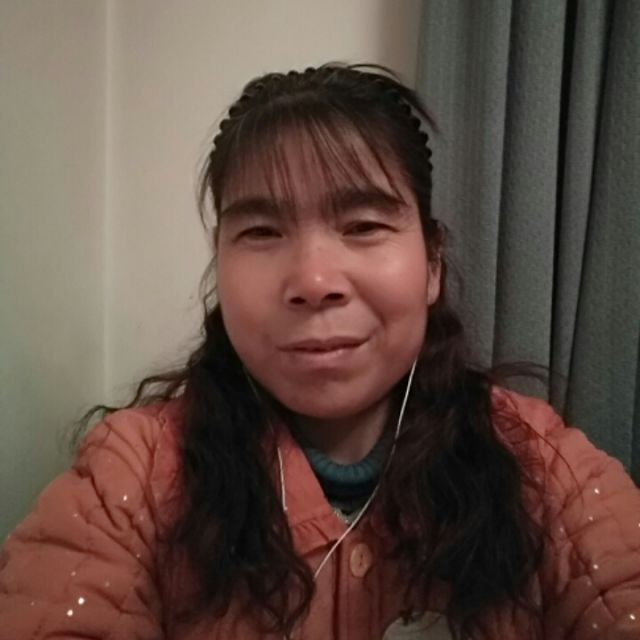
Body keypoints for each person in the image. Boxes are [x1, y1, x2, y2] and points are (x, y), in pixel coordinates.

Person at [0, 63, 639, 640]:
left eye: (363, 225)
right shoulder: (129, 476)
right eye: (261, 231)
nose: (311, 280)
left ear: (432, 263)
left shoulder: (543, 466)